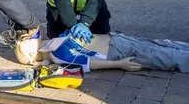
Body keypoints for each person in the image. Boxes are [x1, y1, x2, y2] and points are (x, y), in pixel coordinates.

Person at [16, 31, 189, 74]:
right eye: (28, 41)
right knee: (166, 55)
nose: (30, 37)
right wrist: (120, 64)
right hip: (118, 51)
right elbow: (89, 64)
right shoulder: (57, 53)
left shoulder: (51, 43)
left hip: (117, 41)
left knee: (162, 46)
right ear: (34, 51)